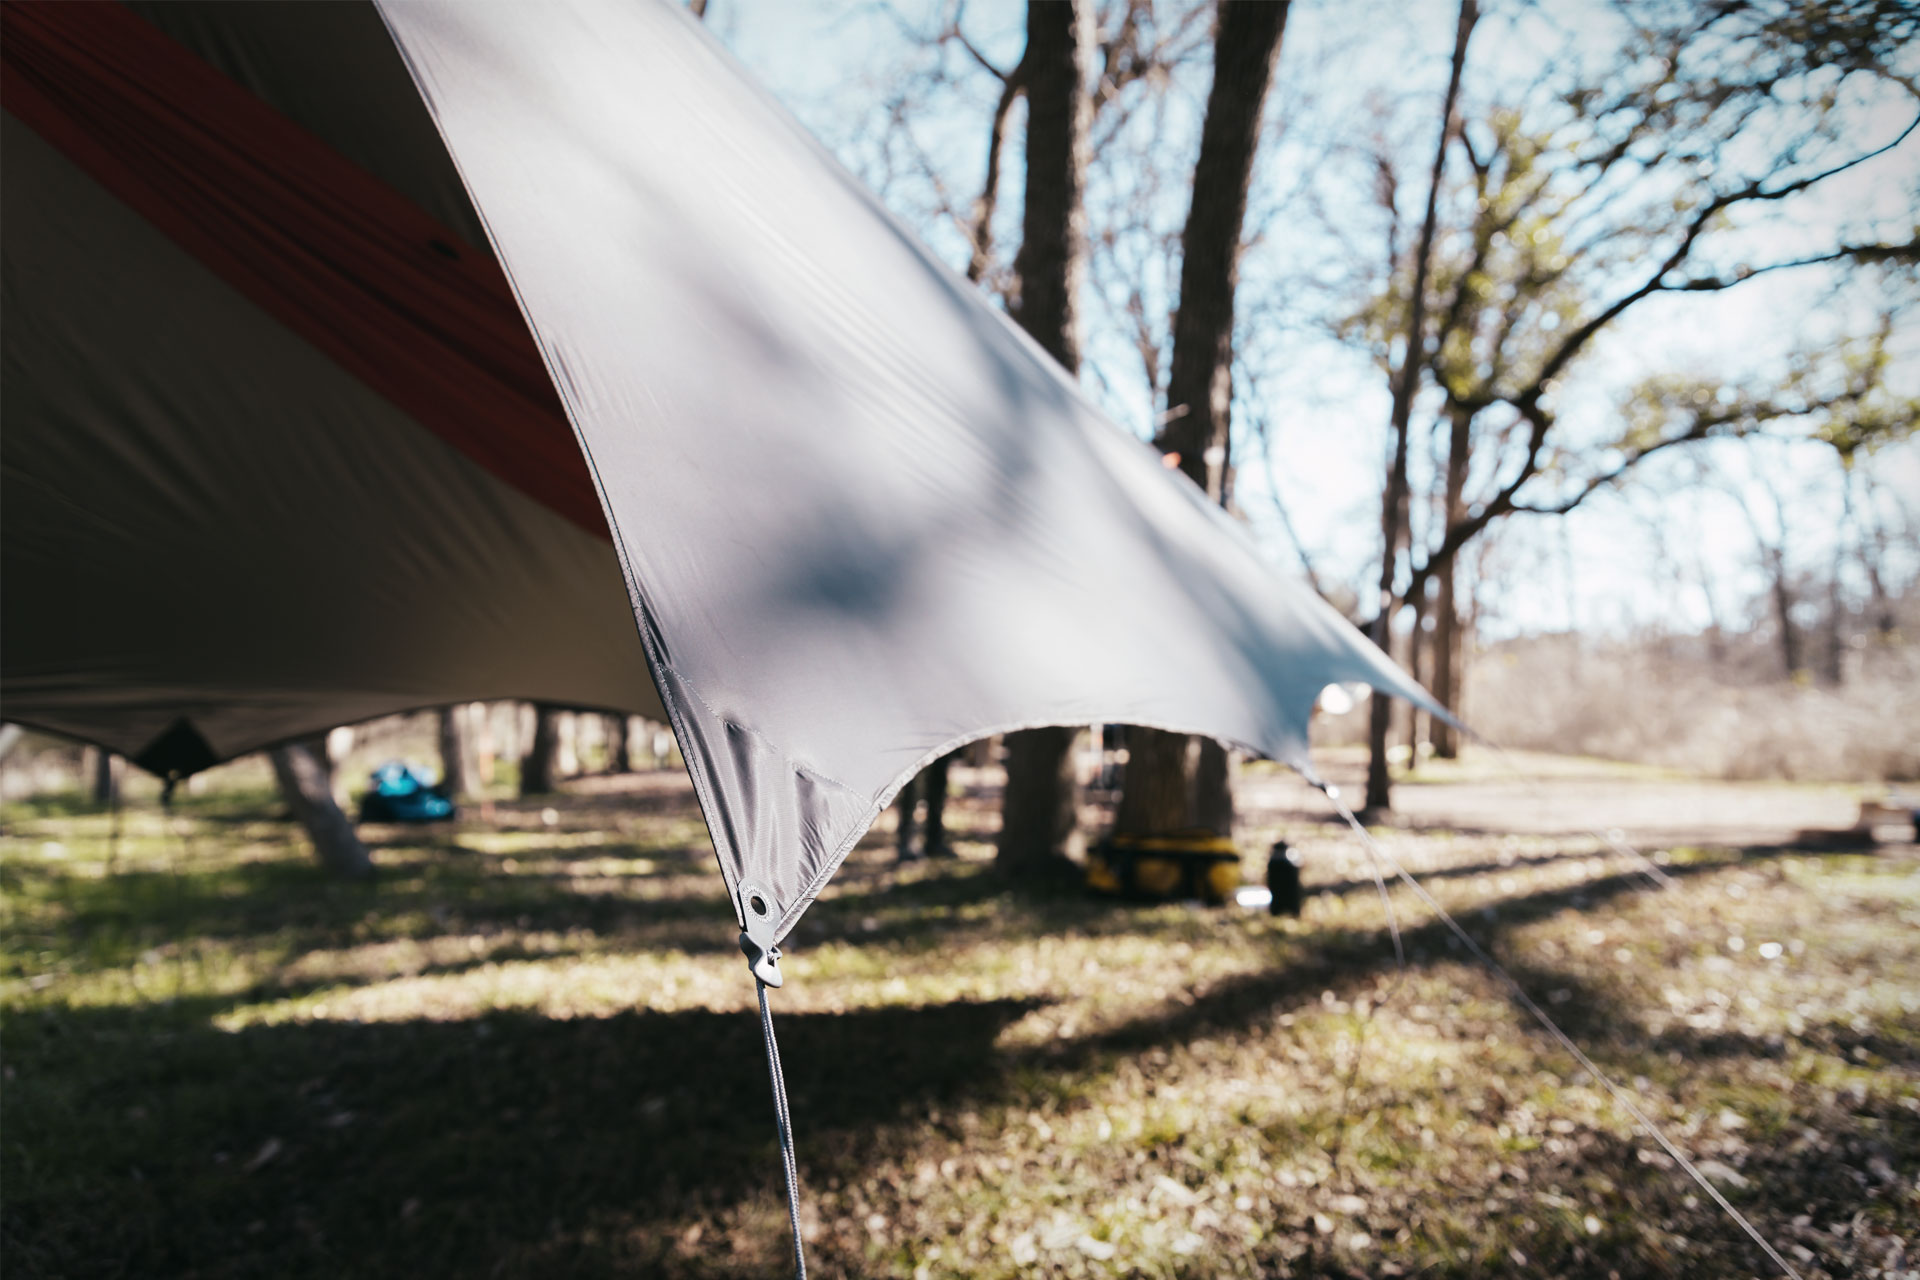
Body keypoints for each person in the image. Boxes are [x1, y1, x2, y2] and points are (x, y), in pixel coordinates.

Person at [894, 749, 960, 861]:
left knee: (938, 781)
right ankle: (906, 843)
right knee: (912, 784)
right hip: (916, 739)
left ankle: (935, 840)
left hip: (942, 736)